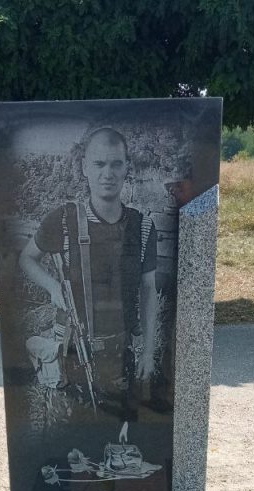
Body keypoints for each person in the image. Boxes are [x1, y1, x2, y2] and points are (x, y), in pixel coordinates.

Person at [19, 126, 158, 421]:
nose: (108, 173)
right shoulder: (63, 220)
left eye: (116, 164)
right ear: (85, 167)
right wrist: (53, 286)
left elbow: (148, 290)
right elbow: (27, 259)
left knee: (120, 437)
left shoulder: (143, 227)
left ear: (126, 167)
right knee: (73, 437)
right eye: (99, 163)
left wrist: (148, 352)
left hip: (121, 356)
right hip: (72, 354)